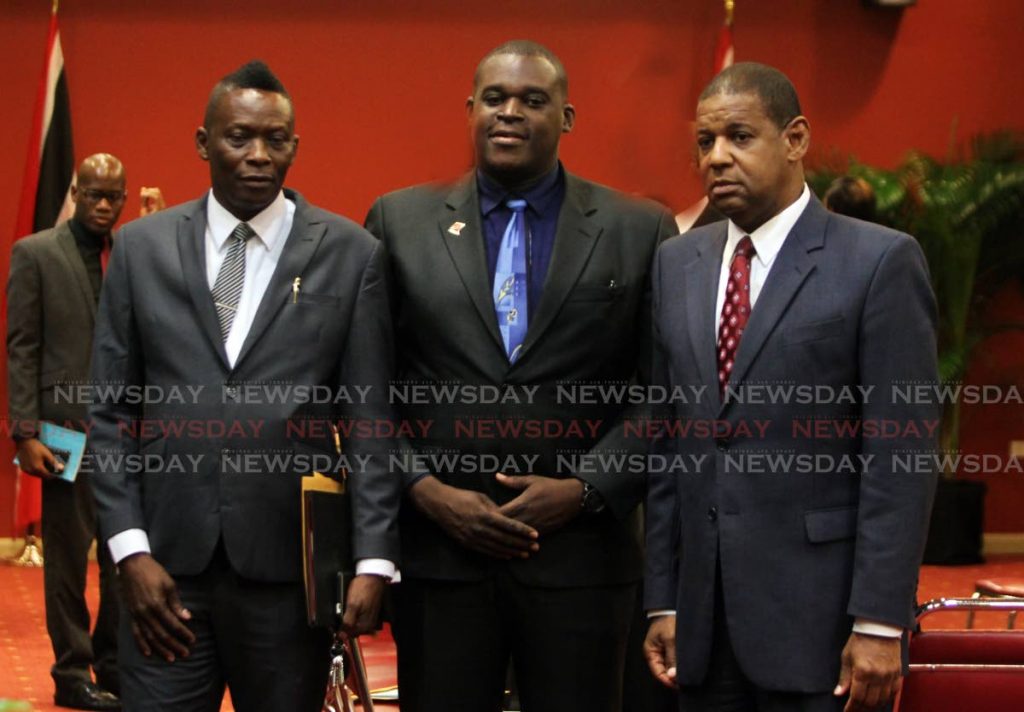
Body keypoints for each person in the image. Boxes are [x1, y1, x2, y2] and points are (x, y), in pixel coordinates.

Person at [365, 40, 676, 712]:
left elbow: (665, 396)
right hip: (440, 559)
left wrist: (586, 488)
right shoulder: (399, 221)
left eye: (533, 100)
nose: (510, 113)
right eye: (495, 98)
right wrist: (424, 489)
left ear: (567, 117)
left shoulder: (640, 229)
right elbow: (366, 392)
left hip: (582, 560)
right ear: (470, 109)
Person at [87, 60, 399, 712]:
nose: (258, 155)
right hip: (163, 576)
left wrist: (373, 560)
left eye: (275, 139)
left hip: (289, 578)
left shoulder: (351, 253)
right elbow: (111, 412)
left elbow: (369, 418)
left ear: (294, 145)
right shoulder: (140, 249)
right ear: (204, 143)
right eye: (238, 138)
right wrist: (128, 553)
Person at [643, 62, 939, 712]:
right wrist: (662, 596)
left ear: (796, 139)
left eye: (739, 137)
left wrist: (880, 622)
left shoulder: (878, 262)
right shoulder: (677, 263)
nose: (716, 158)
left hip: (823, 626)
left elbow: (901, 458)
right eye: (704, 142)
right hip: (701, 627)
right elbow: (668, 446)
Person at [7, 153, 127, 711]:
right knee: (67, 558)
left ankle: (113, 663)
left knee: (127, 555)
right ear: (76, 193)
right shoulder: (35, 253)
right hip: (62, 431)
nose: (104, 205)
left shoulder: (130, 253)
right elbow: (22, 346)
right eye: (94, 194)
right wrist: (24, 432)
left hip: (127, 432)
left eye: (114, 196)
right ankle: (70, 671)